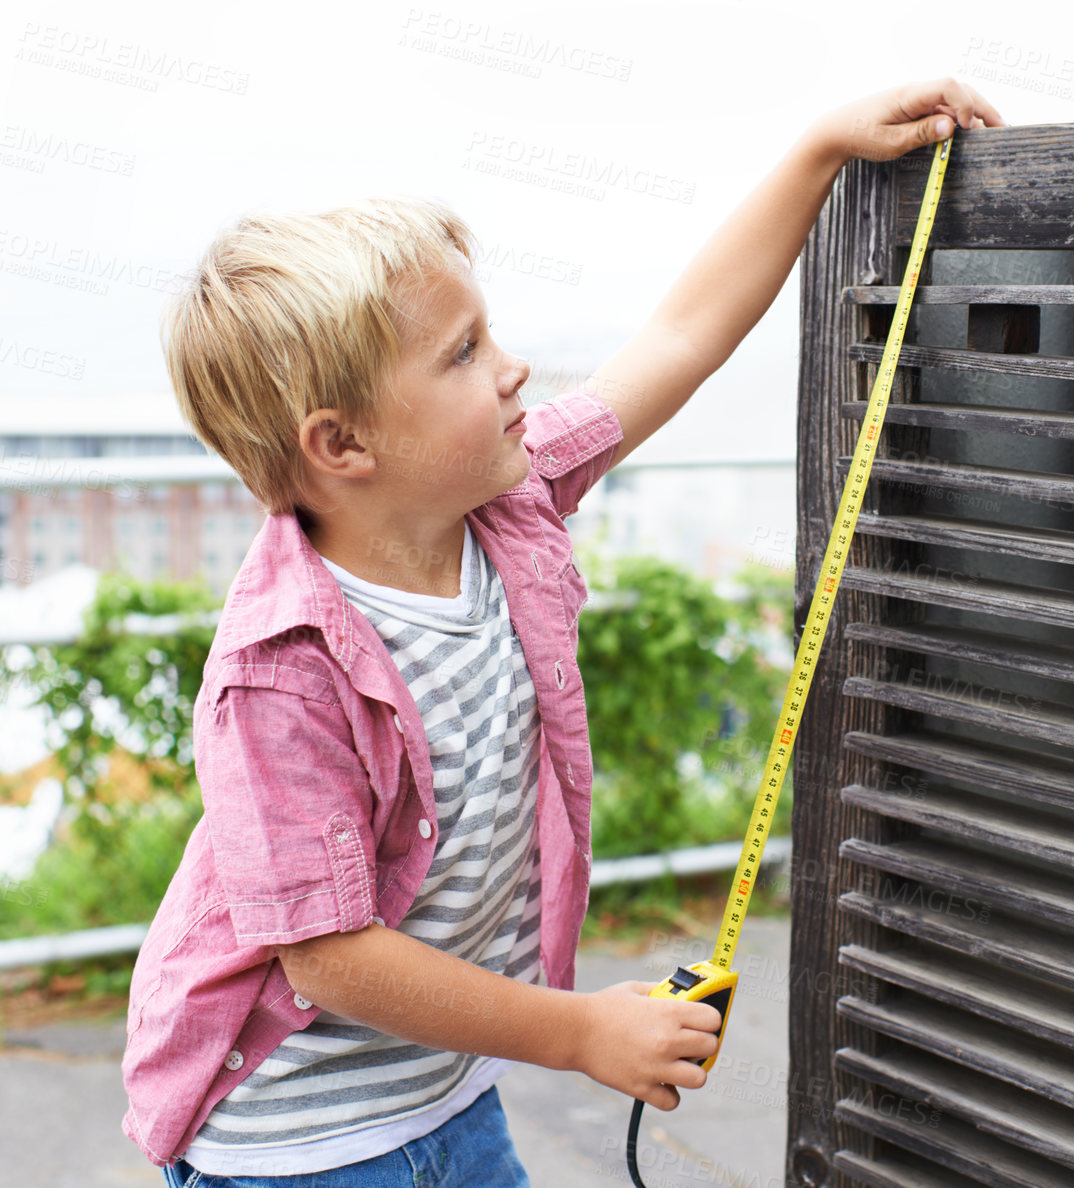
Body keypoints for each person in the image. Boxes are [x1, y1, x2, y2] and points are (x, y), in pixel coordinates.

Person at [120, 76, 1005, 1187]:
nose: (513, 367)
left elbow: (679, 336)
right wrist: (579, 1033)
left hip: (444, 1097)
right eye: (460, 353)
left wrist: (815, 153)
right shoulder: (280, 674)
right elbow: (331, 957)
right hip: (295, 1145)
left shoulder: (506, 497)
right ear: (342, 446)